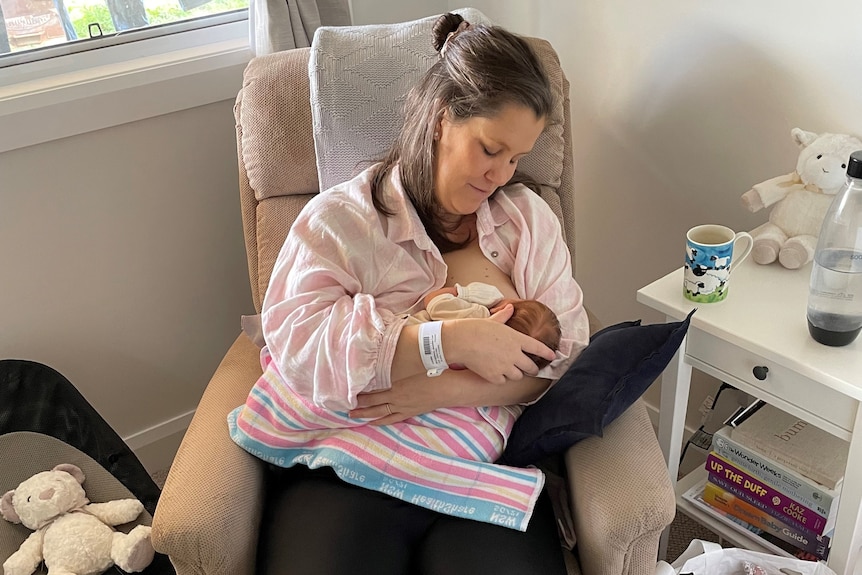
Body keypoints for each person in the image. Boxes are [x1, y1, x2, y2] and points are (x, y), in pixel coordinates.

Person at [232, 12, 590, 575]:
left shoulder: (527, 221)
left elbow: (562, 359)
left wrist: (443, 392)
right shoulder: (342, 221)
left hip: (482, 465)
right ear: (443, 120)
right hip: (353, 455)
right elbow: (299, 343)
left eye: (518, 158)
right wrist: (445, 341)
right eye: (490, 149)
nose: (502, 175)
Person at [409, 282, 562, 369]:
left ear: (504, 310)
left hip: (407, 337)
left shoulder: (476, 316)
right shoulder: (496, 368)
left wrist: (464, 293)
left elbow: (432, 301)